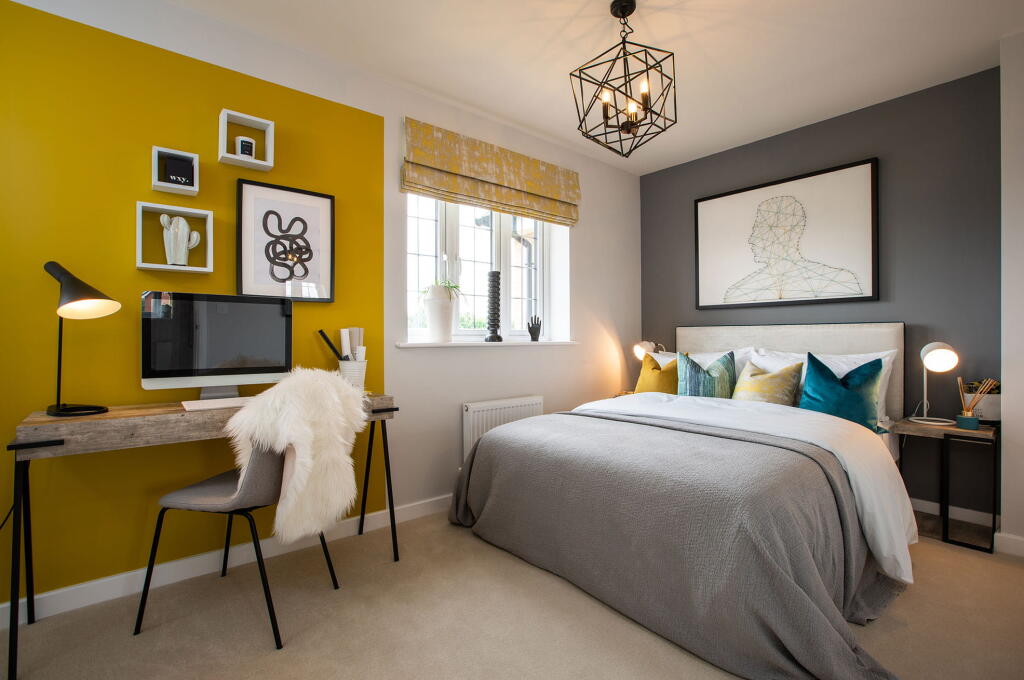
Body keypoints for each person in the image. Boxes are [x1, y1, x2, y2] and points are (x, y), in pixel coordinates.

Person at [723, 195, 862, 303]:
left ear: (787, 232)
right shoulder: (735, 293)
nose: (751, 239)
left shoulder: (841, 281)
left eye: (758, 230)